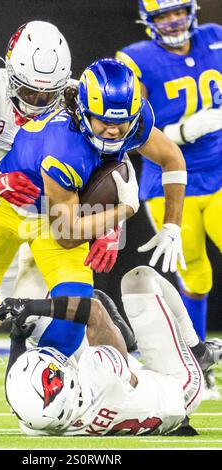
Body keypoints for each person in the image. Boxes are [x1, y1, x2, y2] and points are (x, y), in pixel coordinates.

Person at [0, 58, 186, 391]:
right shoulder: (63, 146)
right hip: (11, 209)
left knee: (72, 320)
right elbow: (69, 233)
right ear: (82, 112)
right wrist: (122, 213)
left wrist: (171, 226)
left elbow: (171, 158)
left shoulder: (129, 120)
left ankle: (40, 376)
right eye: (103, 121)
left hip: (64, 213)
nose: (112, 131)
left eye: (122, 124)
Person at [115, 0, 222, 398]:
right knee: (195, 275)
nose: (174, 20)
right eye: (163, 15)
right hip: (170, 184)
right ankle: (198, 362)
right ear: (149, 21)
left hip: (219, 172)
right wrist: (180, 131)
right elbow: (123, 124)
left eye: (178, 11)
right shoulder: (135, 59)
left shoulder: (215, 39)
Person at [0, 266, 222, 436]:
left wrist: (17, 339)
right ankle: (198, 351)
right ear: (71, 388)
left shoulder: (39, 421)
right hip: (179, 389)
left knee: (70, 327)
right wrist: (30, 306)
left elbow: (15, 393)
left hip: (131, 394)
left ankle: (123, 345)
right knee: (138, 279)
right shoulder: (101, 378)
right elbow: (95, 311)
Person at [0, 21, 73, 303]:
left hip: (51, 207)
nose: (38, 100)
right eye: (29, 90)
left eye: (48, 93)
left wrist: (112, 221)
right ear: (10, 72)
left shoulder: (77, 96)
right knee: (0, 289)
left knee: (35, 300)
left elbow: (118, 149)